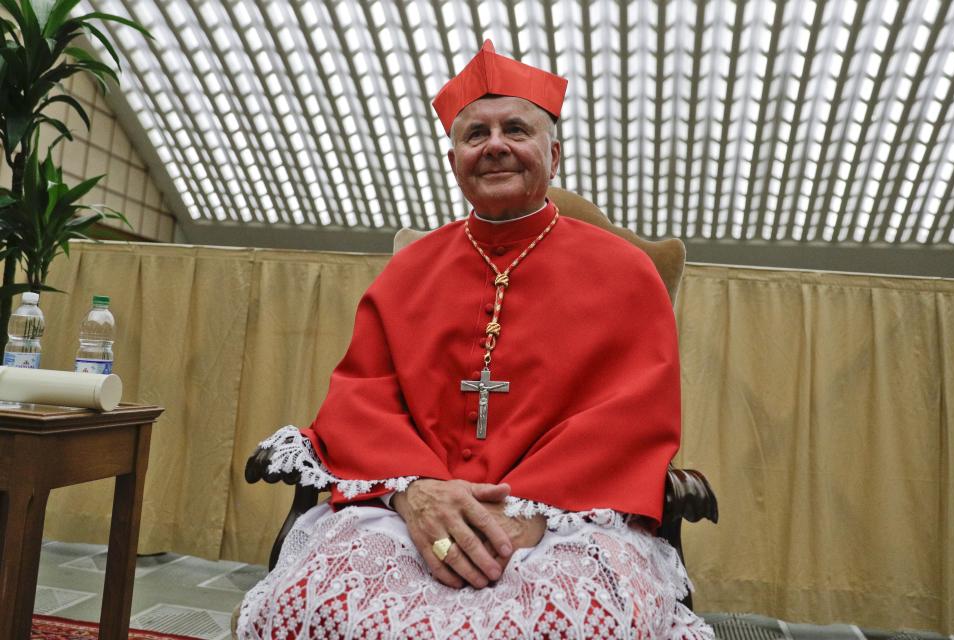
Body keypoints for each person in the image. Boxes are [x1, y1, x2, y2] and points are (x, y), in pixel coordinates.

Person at [237, 41, 713, 639]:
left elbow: (633, 414)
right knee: (309, 607)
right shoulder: (409, 271)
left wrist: (529, 509)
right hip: (410, 503)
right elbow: (363, 395)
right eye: (475, 134)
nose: (494, 145)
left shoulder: (627, 272)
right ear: (455, 157)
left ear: (554, 153)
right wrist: (416, 493)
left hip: (571, 516)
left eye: (517, 128)